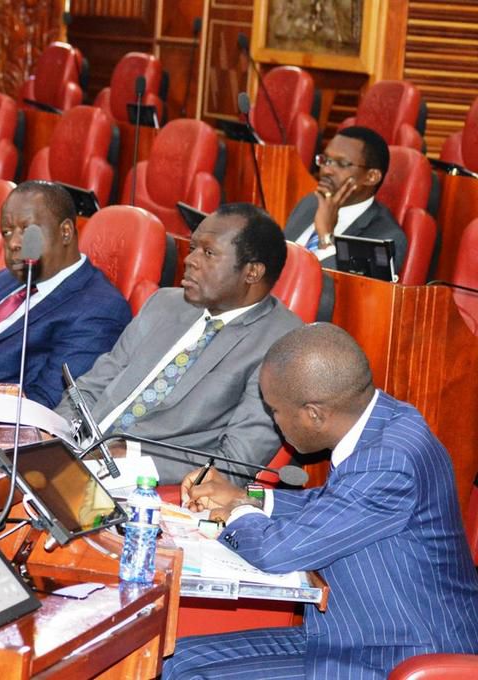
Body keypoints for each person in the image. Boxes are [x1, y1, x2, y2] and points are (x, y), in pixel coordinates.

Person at [167, 323, 478, 679]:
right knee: (175, 659)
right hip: (351, 632)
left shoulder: (389, 462)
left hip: (397, 655)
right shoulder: (385, 421)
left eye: (275, 411)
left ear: (314, 414)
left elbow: (276, 552)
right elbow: (338, 504)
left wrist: (233, 515)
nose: (274, 422)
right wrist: (246, 497)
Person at [55, 203, 302, 485]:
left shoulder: (283, 345)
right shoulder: (165, 303)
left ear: (252, 272)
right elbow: (93, 384)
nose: (190, 260)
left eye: (208, 253)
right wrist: (54, 433)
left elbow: (236, 460)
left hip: (139, 484)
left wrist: (131, 462)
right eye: (194, 247)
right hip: (74, 450)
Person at [0, 180, 130, 408]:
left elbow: (46, 405)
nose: (14, 243)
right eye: (7, 233)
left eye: (27, 231)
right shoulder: (4, 280)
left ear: (65, 232)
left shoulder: (99, 310)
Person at [284, 126, 408, 273]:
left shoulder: (385, 238)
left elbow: (348, 293)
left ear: (371, 177)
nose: (326, 170)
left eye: (342, 164)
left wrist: (325, 238)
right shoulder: (310, 203)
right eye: (326, 160)